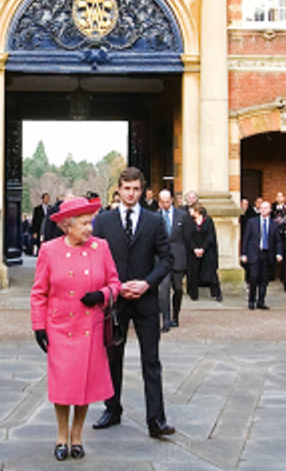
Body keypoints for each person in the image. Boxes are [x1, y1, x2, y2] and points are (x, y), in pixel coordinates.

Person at [30, 197, 120, 461]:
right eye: (83, 224)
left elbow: (115, 283)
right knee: (63, 386)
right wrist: (39, 326)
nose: (89, 229)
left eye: (90, 223)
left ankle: (77, 436)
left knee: (84, 385)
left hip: (89, 326)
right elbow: (39, 293)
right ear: (68, 226)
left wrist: (102, 295)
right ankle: (61, 436)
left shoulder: (101, 248)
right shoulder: (49, 250)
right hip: (59, 327)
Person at [91, 167, 175, 439]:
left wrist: (147, 283)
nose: (131, 193)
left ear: (142, 190)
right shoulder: (103, 221)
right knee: (113, 357)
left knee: (151, 360)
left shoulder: (153, 221)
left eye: (136, 189)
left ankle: (156, 419)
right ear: (119, 188)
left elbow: (166, 259)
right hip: (115, 301)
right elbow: (96, 261)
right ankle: (112, 409)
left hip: (146, 300)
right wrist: (115, 287)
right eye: (126, 188)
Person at [241, 199, 283, 310]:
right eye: (261, 208)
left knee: (264, 280)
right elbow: (246, 239)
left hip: (267, 254)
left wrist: (279, 253)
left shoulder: (274, 224)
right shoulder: (252, 222)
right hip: (254, 253)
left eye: (266, 208)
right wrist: (243, 253)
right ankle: (251, 300)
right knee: (253, 278)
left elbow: (278, 240)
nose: (263, 210)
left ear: (270, 210)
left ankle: (261, 301)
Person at [157, 189, 189, 331]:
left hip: (178, 257)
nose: (165, 204)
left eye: (167, 201)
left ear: (171, 200)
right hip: (162, 258)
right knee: (163, 291)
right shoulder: (155, 217)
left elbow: (187, 238)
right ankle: (166, 320)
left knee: (177, 289)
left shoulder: (182, 216)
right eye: (162, 202)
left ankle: (176, 315)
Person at [184, 205, 222, 301]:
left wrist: (203, 248)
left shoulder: (208, 221)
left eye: (192, 210)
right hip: (193, 250)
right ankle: (193, 293)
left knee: (211, 272)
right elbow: (188, 236)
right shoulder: (189, 222)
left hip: (207, 250)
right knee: (194, 272)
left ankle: (216, 293)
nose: (190, 212)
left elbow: (210, 236)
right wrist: (195, 248)